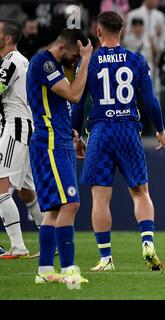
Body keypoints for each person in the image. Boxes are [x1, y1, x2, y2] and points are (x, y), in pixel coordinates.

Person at [72, 11, 165, 272]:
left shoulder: (88, 61)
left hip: (100, 131)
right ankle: (147, 242)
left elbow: (78, 104)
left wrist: (75, 134)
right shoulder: (136, 59)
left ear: (98, 31)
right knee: (140, 192)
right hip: (128, 129)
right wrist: (159, 129)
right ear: (122, 30)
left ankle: (106, 258)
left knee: (100, 198)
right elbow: (149, 100)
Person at [26, 28, 92, 284]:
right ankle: (69, 271)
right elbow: (74, 95)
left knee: (54, 209)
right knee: (70, 204)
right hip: (49, 142)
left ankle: (44, 272)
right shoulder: (44, 62)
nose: (76, 60)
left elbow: (59, 106)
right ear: (63, 48)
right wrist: (86, 60)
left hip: (61, 139)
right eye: (75, 55)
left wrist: (74, 135)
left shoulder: (56, 66)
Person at [0, 20, 44, 259]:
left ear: (8, 38)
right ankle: (53, 241)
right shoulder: (20, 61)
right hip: (25, 127)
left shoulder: (12, 61)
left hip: (14, 126)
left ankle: (18, 246)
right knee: (27, 191)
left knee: (1, 187)